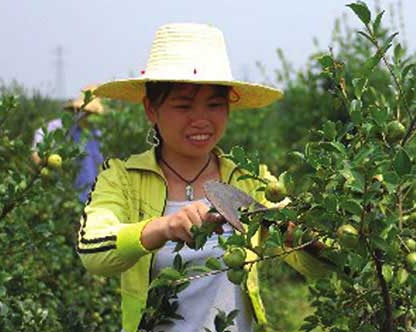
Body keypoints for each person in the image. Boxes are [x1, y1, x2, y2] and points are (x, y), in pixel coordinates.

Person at [76, 23, 335, 332]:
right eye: (183, 105)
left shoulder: (250, 180)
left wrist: (301, 236)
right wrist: (163, 227)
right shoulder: (122, 178)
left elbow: (323, 267)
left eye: (214, 104)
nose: (201, 119)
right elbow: (93, 251)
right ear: (151, 109)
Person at [32, 86, 105, 202]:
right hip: (64, 199)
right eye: (85, 112)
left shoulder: (97, 135)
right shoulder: (59, 128)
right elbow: (38, 148)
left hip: (91, 199)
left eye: (90, 113)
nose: (87, 116)